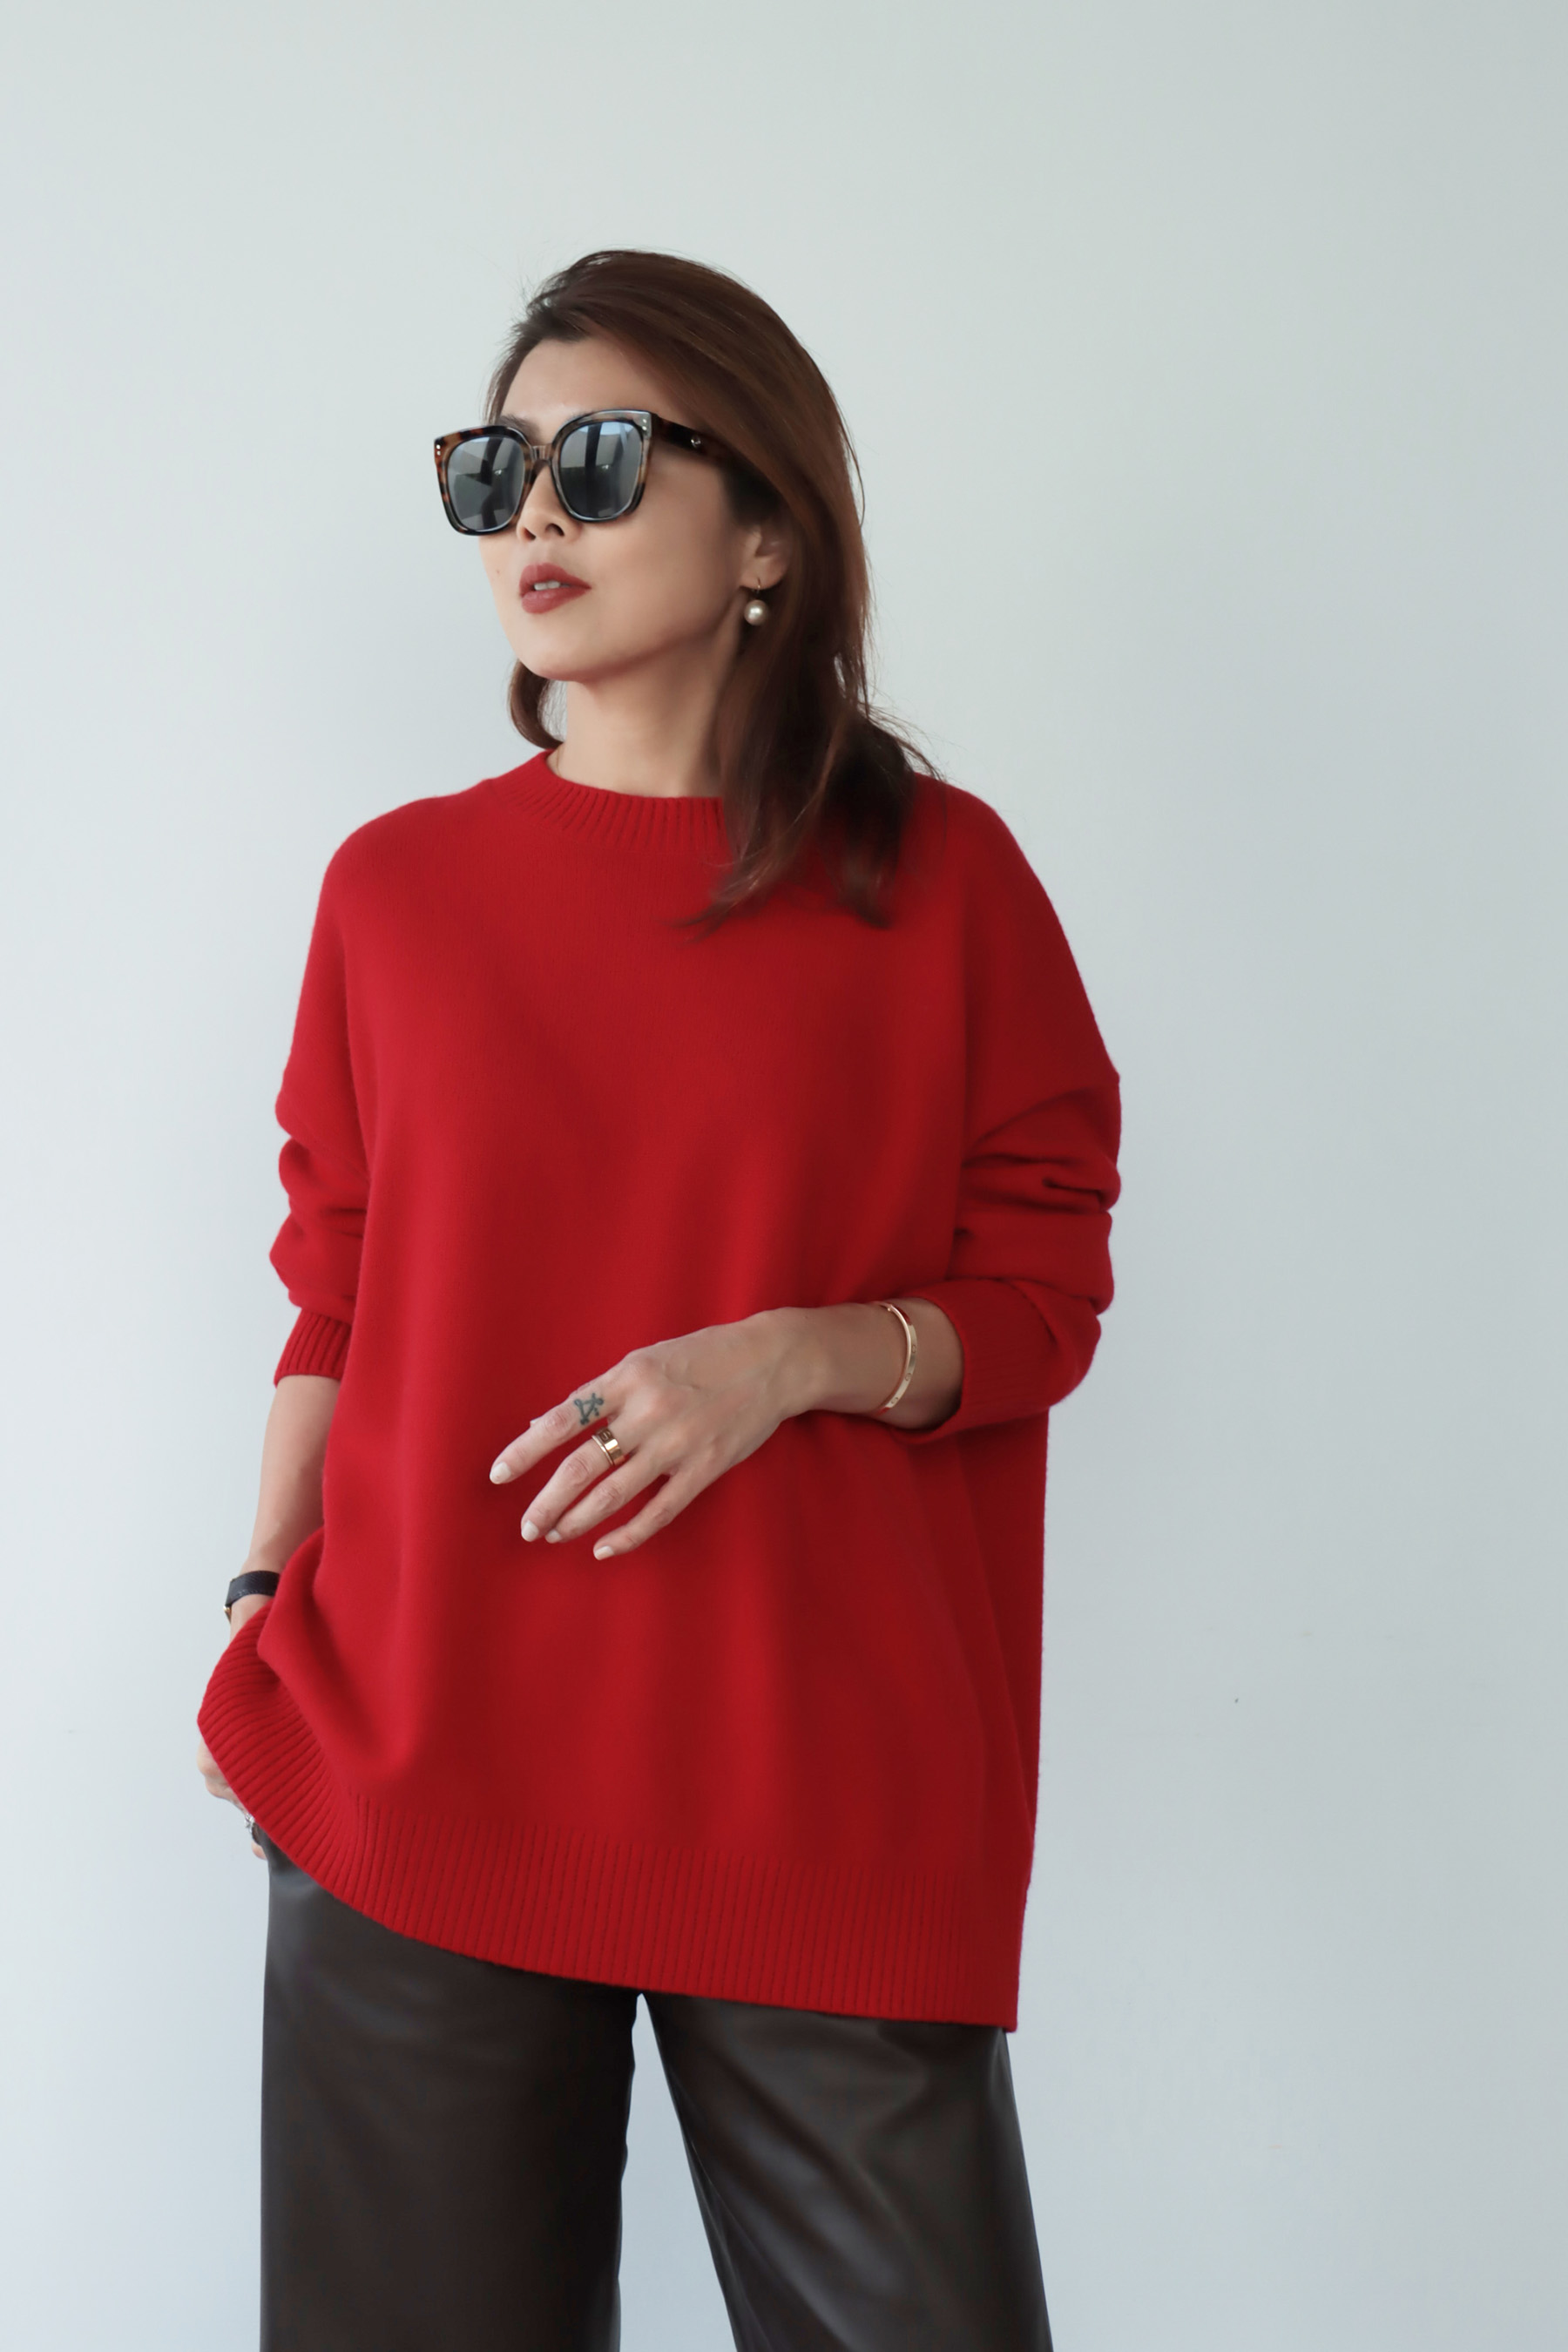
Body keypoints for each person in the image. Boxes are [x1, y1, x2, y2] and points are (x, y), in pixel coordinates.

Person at [196, 247, 1121, 2352]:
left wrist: (782, 1360)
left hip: (822, 1782)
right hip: (419, 1768)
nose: (535, 512)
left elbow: (1043, 1289)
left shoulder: (943, 883)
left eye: (601, 460)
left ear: (769, 530)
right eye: (495, 469)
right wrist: (260, 1598)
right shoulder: (396, 893)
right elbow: (339, 1290)